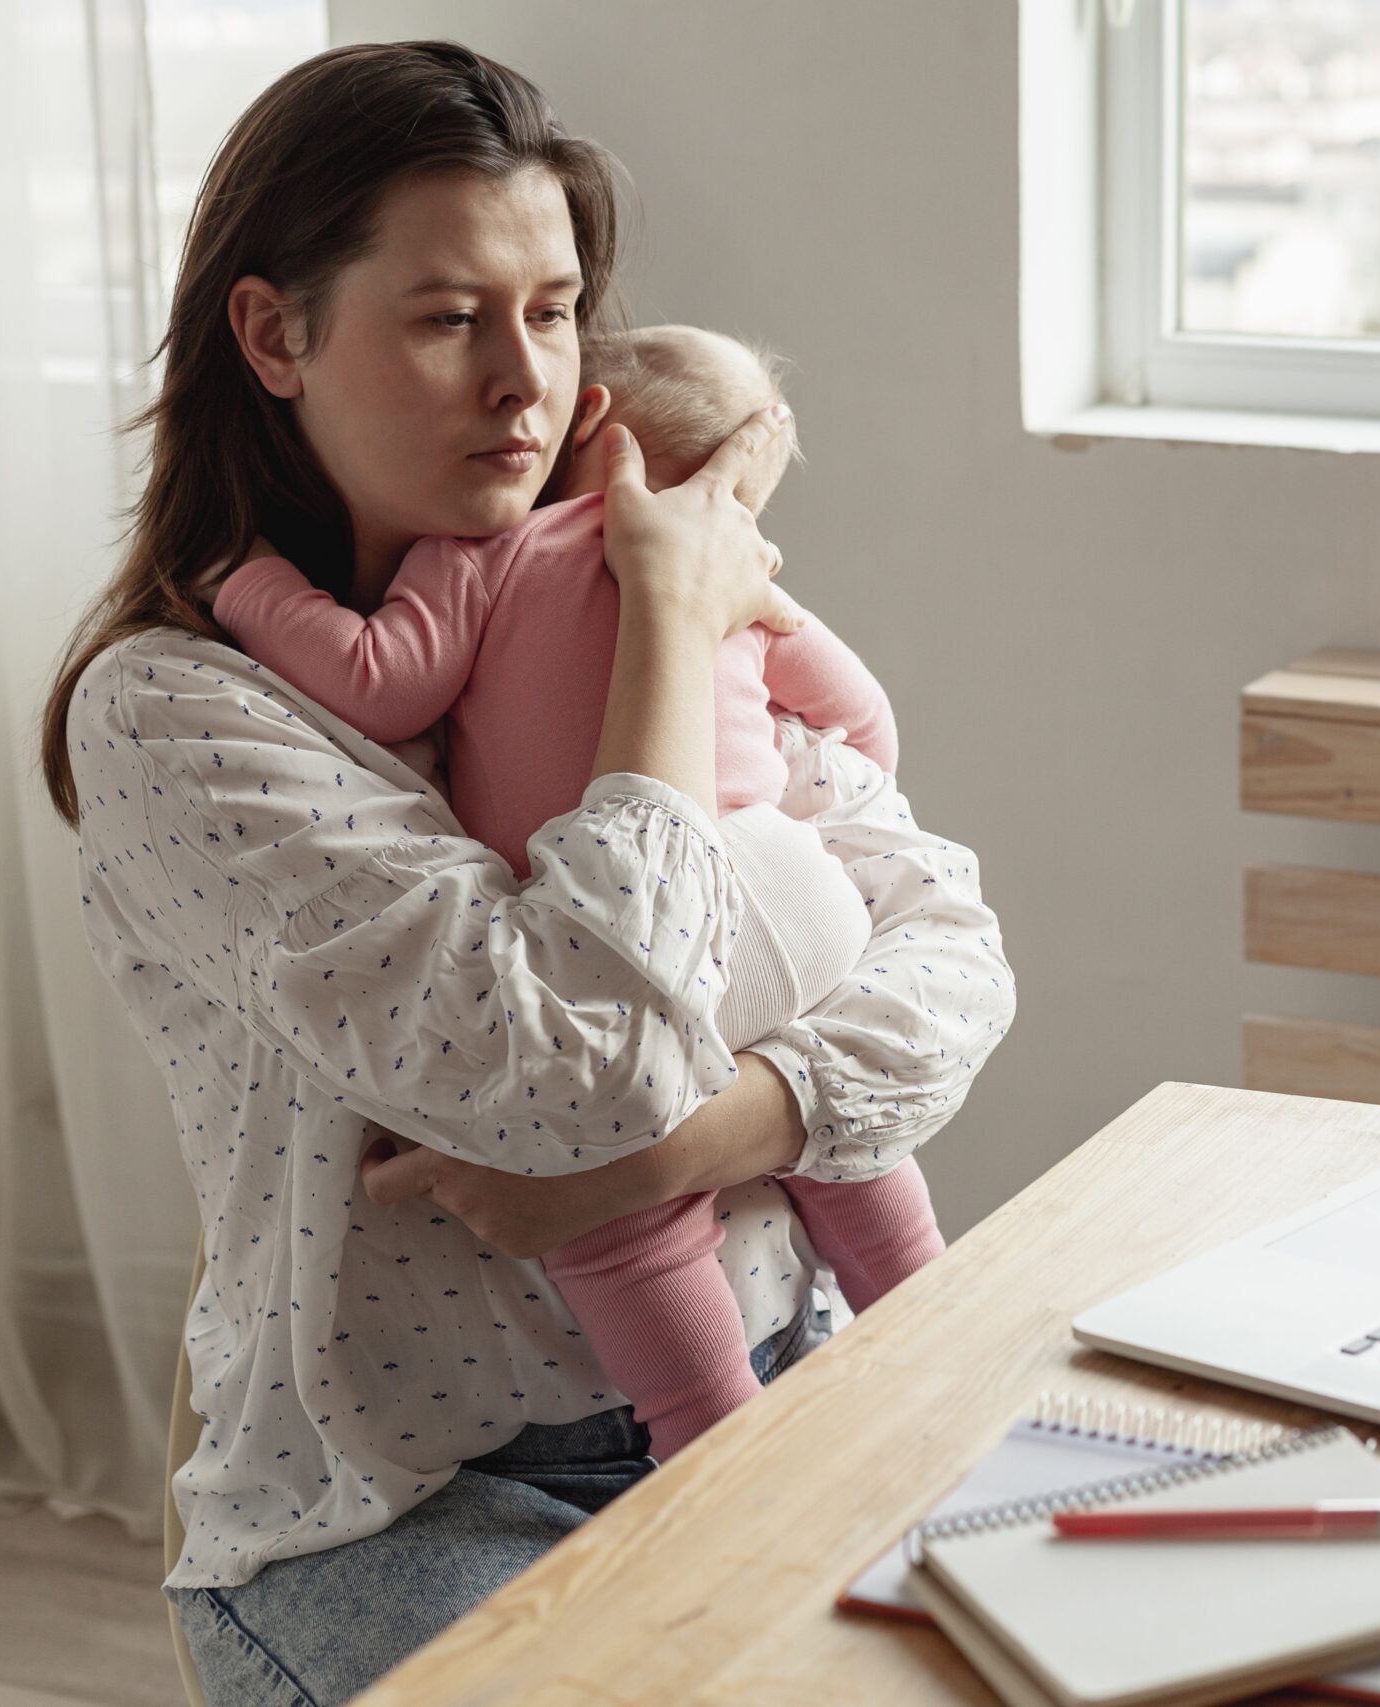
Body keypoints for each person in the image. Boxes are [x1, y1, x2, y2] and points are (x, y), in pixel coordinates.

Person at [36, 39, 1010, 1707]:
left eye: (553, 313)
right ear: (272, 334)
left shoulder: (608, 574)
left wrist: (718, 1139)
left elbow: (952, 958)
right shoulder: (181, 710)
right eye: (447, 317)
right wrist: (675, 638)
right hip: (414, 1508)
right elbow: (580, 1075)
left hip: (801, 1367)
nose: (524, 381)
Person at [209, 325, 944, 1454]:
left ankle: (708, 1437)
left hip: (654, 908)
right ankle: (942, 1338)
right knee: (852, 1156)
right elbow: (865, 721)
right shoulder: (734, 573)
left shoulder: (488, 551)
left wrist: (249, 583)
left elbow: (377, 683)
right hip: (795, 885)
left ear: (585, 419)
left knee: (614, 1208)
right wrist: (787, 797)